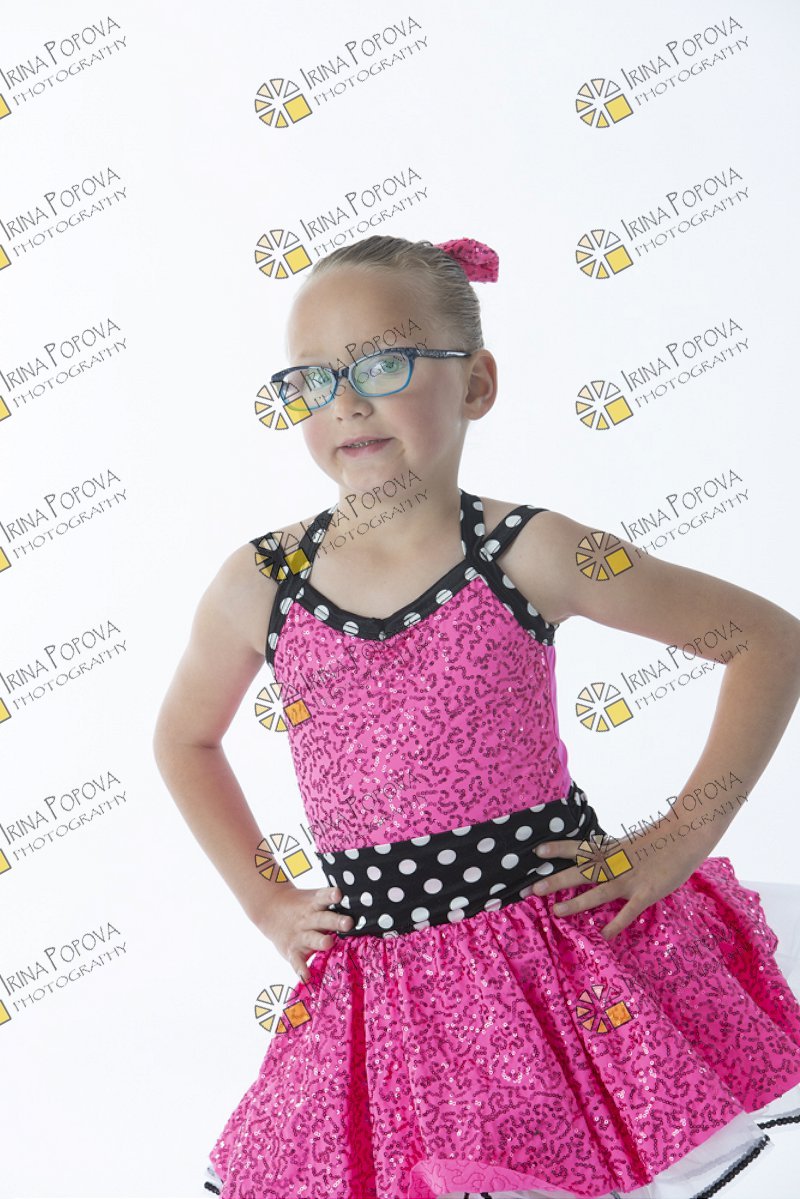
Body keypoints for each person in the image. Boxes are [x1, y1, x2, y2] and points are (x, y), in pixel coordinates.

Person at [152, 234, 800, 1199]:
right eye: (313, 379)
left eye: (384, 363)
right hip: (389, 991)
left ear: (478, 383)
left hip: (559, 960)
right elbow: (185, 738)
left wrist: (677, 838)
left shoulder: (531, 551)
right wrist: (268, 901)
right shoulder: (263, 580)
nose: (347, 402)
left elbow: (766, 640)